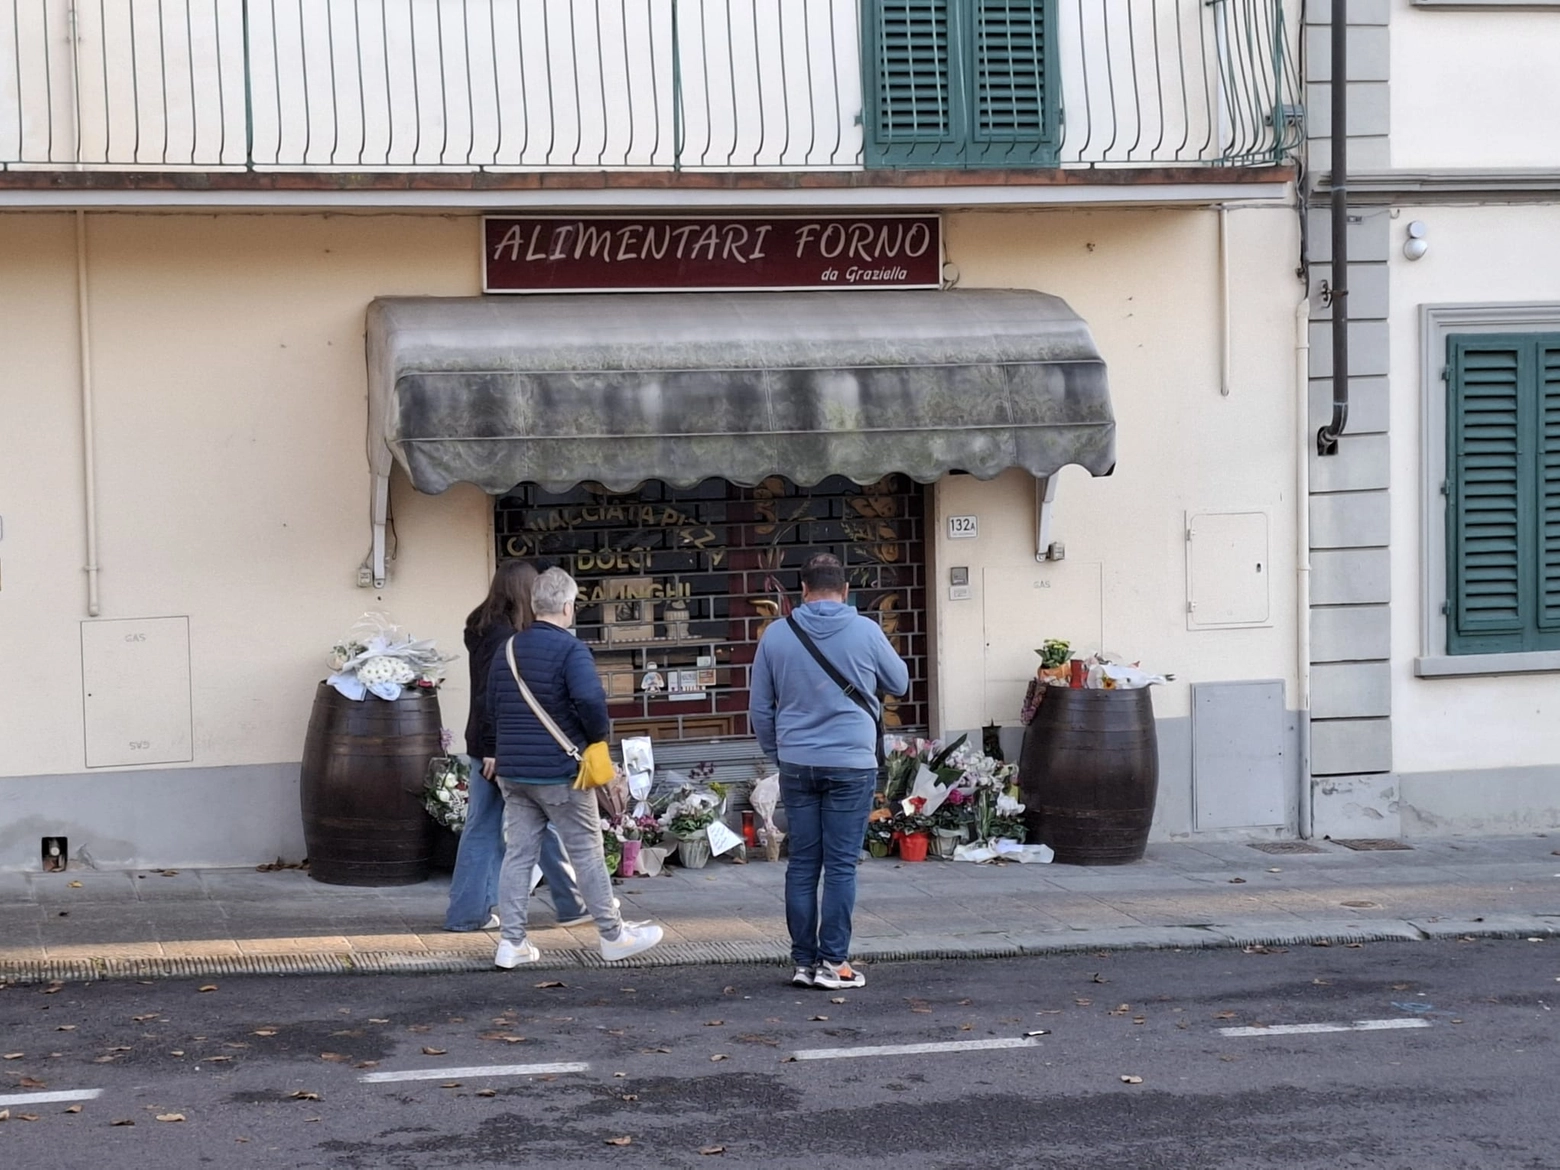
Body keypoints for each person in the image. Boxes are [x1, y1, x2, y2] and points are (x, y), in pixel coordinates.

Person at [484, 567, 664, 969]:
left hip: (514, 772)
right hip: (560, 772)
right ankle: (613, 935)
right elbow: (590, 702)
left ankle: (511, 943)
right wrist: (595, 739)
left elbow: (491, 708)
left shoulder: (508, 649)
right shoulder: (570, 649)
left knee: (518, 856)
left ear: (534, 605)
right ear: (568, 606)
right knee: (586, 852)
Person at [748, 552, 909, 991]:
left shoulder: (776, 636)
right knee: (840, 868)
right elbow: (900, 683)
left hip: (798, 763)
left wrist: (778, 754)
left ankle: (803, 963)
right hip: (852, 764)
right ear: (845, 591)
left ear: (802, 590)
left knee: (802, 865)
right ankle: (833, 963)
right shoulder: (866, 630)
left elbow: (759, 708)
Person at [444, 559, 594, 933]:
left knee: (513, 824)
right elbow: (490, 696)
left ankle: (472, 911)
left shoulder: (481, 629)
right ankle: (474, 914)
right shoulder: (505, 638)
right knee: (503, 825)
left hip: (486, 741)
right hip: (502, 745)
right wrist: (494, 747)